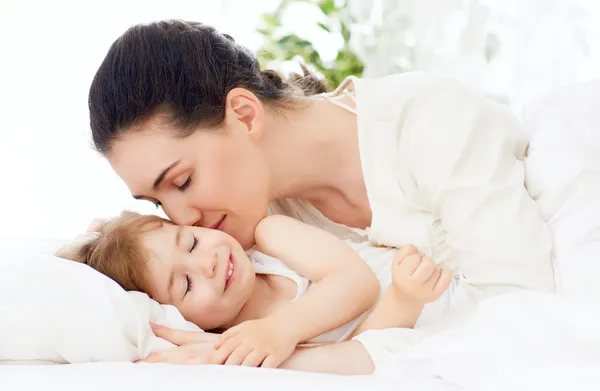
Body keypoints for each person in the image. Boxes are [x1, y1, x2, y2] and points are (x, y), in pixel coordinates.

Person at [86, 19, 556, 369]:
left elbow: (522, 316)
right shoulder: (238, 244)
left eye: (183, 182)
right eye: (157, 203)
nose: (182, 218)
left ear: (245, 115)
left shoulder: (430, 122)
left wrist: (276, 355)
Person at [57, 211, 451, 369]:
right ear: (177, 316)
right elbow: (362, 361)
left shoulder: (270, 237)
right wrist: (405, 300)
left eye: (191, 242)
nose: (207, 262)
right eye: (186, 284)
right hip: (418, 314)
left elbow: (357, 284)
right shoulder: (239, 342)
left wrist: (281, 331)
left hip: (446, 293)